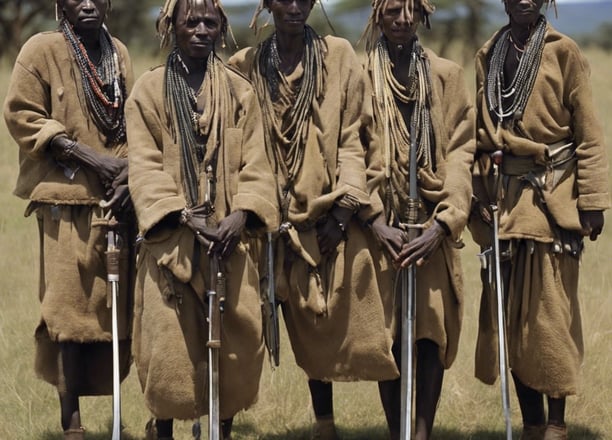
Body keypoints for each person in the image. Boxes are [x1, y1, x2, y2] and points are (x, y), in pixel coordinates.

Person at [228, 1, 399, 438]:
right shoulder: (244, 65)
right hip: (262, 226)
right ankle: (219, 422)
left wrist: (342, 215)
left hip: (327, 218)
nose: (294, 7)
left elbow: (357, 137)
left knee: (350, 323)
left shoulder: (338, 56)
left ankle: (373, 427)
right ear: (268, 4)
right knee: (240, 326)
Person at [125, 0, 278, 439]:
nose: (200, 30)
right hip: (170, 244)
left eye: (211, 22)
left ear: (222, 29)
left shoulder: (239, 91)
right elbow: (145, 165)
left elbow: (257, 163)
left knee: (237, 349)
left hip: (230, 244)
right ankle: (165, 428)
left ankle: (222, 427)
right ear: (171, 25)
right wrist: (184, 218)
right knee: (169, 350)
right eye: (190, 21)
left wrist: (242, 213)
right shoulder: (150, 91)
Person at [470, 0, 610, 439]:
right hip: (505, 205)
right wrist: (480, 190)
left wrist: (592, 201)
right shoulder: (488, 53)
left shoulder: (564, 50)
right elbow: (480, 130)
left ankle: (555, 424)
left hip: (554, 201)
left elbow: (589, 135)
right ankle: (530, 424)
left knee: (549, 320)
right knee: (508, 319)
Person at [3, 0, 134, 438]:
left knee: (114, 312)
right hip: (64, 206)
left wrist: (128, 174)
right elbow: (22, 114)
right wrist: (88, 157)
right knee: (64, 313)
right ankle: (71, 423)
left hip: (115, 206)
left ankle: (118, 419)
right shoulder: (40, 50)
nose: (88, 3)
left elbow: (133, 121)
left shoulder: (118, 53)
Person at [361, 1, 475, 439]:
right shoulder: (361, 75)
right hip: (382, 226)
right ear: (379, 16)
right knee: (386, 335)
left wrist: (444, 223)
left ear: (422, 16)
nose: (403, 19)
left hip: (431, 225)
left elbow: (463, 151)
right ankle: (396, 431)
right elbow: (350, 145)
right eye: (393, 10)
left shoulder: (447, 75)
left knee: (430, 332)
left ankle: (422, 430)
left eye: (411, 10)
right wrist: (373, 220)